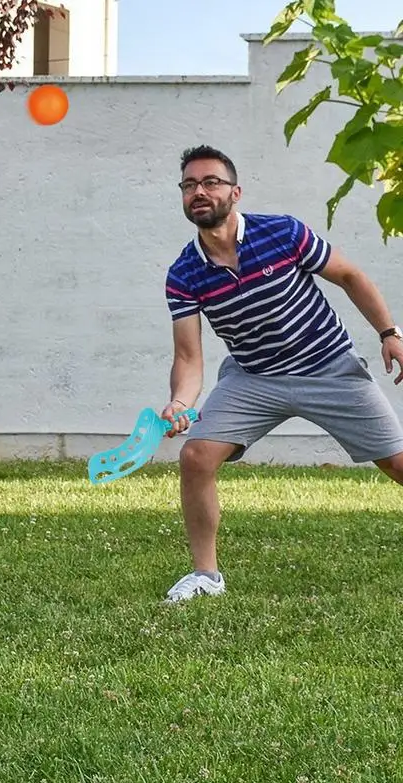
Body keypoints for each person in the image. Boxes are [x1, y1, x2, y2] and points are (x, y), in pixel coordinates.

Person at [161, 145, 403, 603]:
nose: (200, 191)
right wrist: (179, 403)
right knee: (196, 458)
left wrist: (390, 332)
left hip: (328, 366)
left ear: (235, 191)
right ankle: (206, 577)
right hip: (254, 377)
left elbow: (349, 275)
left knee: (396, 464)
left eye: (211, 182)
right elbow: (189, 358)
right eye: (190, 185)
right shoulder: (184, 274)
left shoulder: (283, 233)